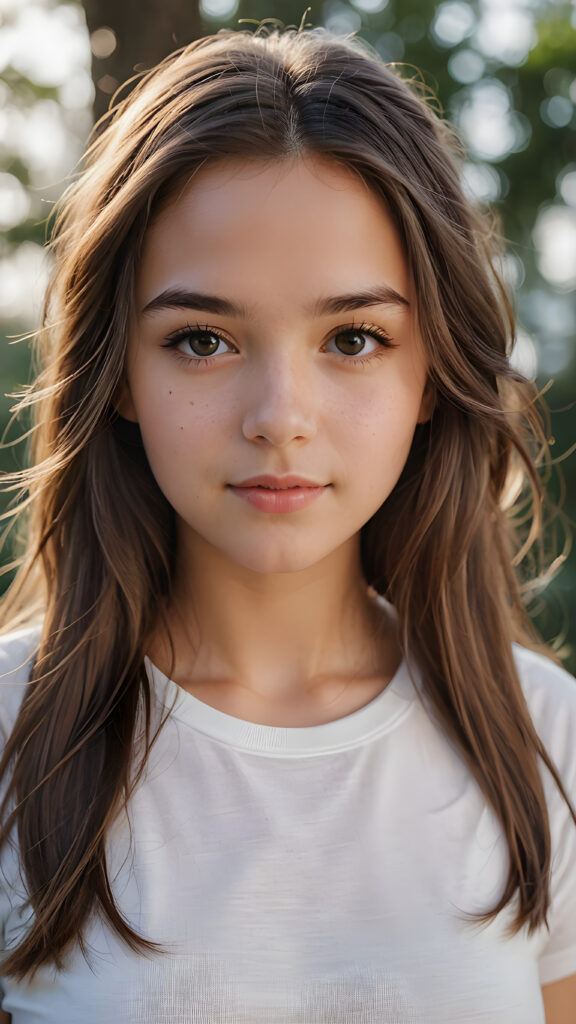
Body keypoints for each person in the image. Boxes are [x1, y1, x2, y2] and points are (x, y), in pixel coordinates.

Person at [0, 19, 574, 1024]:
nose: (280, 418)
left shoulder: (547, 744)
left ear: (432, 373)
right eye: (204, 339)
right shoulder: (12, 739)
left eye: (353, 336)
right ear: (120, 375)